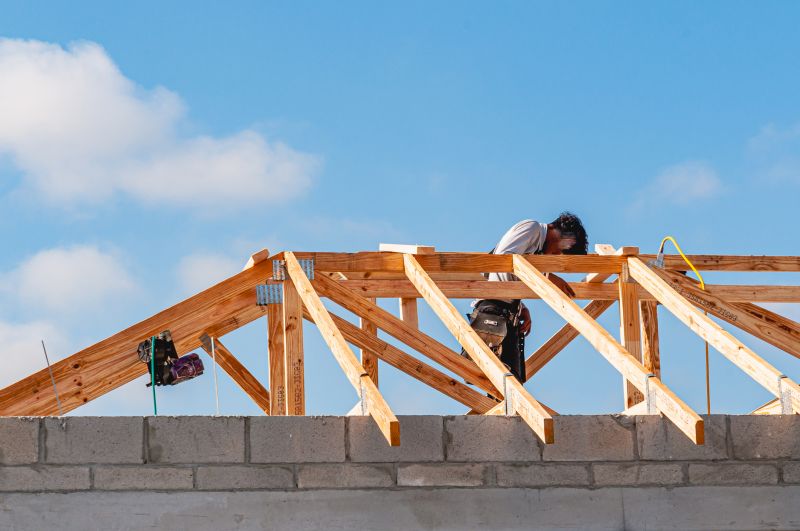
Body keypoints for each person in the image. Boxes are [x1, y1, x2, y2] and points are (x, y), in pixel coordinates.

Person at [465, 212, 588, 384]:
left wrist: (520, 307)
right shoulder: (532, 228)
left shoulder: (537, 249)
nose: (556, 255)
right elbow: (503, 261)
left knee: (509, 385)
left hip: (505, 312)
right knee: (498, 382)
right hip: (493, 310)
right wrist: (546, 276)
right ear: (559, 232)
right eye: (562, 250)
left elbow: (510, 276)